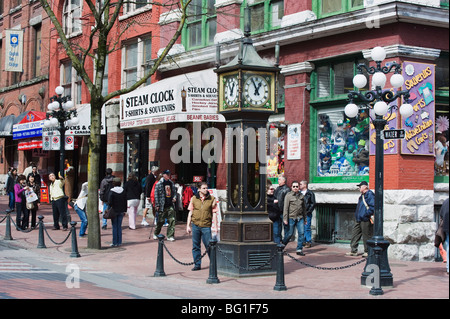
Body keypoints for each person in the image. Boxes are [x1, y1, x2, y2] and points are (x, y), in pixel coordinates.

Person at [186, 182, 218, 271]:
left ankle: (213, 263)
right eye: (204, 188)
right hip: (195, 225)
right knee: (196, 246)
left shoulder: (212, 199)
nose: (206, 190)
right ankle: (197, 264)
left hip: (206, 226)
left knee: (209, 245)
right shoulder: (194, 198)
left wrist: (215, 226)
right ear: (199, 189)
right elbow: (190, 212)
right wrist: (188, 225)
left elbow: (214, 214)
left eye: (206, 188)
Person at [347, 181, 374, 257]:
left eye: (360, 186)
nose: (359, 188)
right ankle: (353, 250)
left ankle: (367, 251)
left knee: (366, 236)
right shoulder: (361, 196)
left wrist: (366, 215)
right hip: (359, 218)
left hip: (365, 219)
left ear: (365, 187)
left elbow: (373, 207)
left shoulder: (370, 195)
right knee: (355, 234)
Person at [282, 181, 307, 256]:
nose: (295, 188)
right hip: (291, 217)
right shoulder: (288, 195)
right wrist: (285, 218)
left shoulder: (301, 196)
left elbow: (304, 208)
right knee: (289, 234)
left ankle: (299, 249)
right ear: (291, 187)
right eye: (294, 186)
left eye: (297, 186)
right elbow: (285, 208)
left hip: (300, 218)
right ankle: (282, 246)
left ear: (299, 187)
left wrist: (305, 219)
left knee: (301, 233)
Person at [153, 170, 177, 241]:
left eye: (169, 174)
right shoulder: (159, 184)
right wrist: (157, 204)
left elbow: (174, 192)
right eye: (167, 174)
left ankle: (170, 235)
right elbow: (156, 195)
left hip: (170, 204)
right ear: (163, 175)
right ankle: (156, 233)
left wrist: (174, 197)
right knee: (161, 221)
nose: (168, 175)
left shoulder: (171, 183)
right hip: (162, 205)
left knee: (172, 220)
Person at [107, 177, 127, 247]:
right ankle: (119, 241)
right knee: (119, 226)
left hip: (114, 210)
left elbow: (109, 202)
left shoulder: (112, 191)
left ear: (114, 183)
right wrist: (125, 210)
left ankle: (115, 242)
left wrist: (108, 208)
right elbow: (125, 201)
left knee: (114, 226)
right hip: (121, 210)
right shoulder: (123, 191)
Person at [273, 176, 290, 244]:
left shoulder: (287, 189)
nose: (278, 181)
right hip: (277, 211)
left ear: (284, 181)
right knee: (278, 226)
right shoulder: (277, 188)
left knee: (286, 227)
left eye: (279, 179)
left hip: (283, 211)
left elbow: (286, 201)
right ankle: (279, 240)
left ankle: (285, 241)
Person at [300, 180, 316, 248]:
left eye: (300, 184)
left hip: (307, 213)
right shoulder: (299, 193)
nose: (299, 185)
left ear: (305, 185)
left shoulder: (310, 193)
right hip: (300, 213)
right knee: (301, 228)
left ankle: (308, 241)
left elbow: (313, 203)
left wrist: (308, 211)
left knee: (307, 227)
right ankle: (303, 241)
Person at [439, 198, 449, 275]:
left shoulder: (445, 202)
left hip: (447, 227)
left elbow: (441, 214)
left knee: (448, 247)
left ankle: (448, 267)